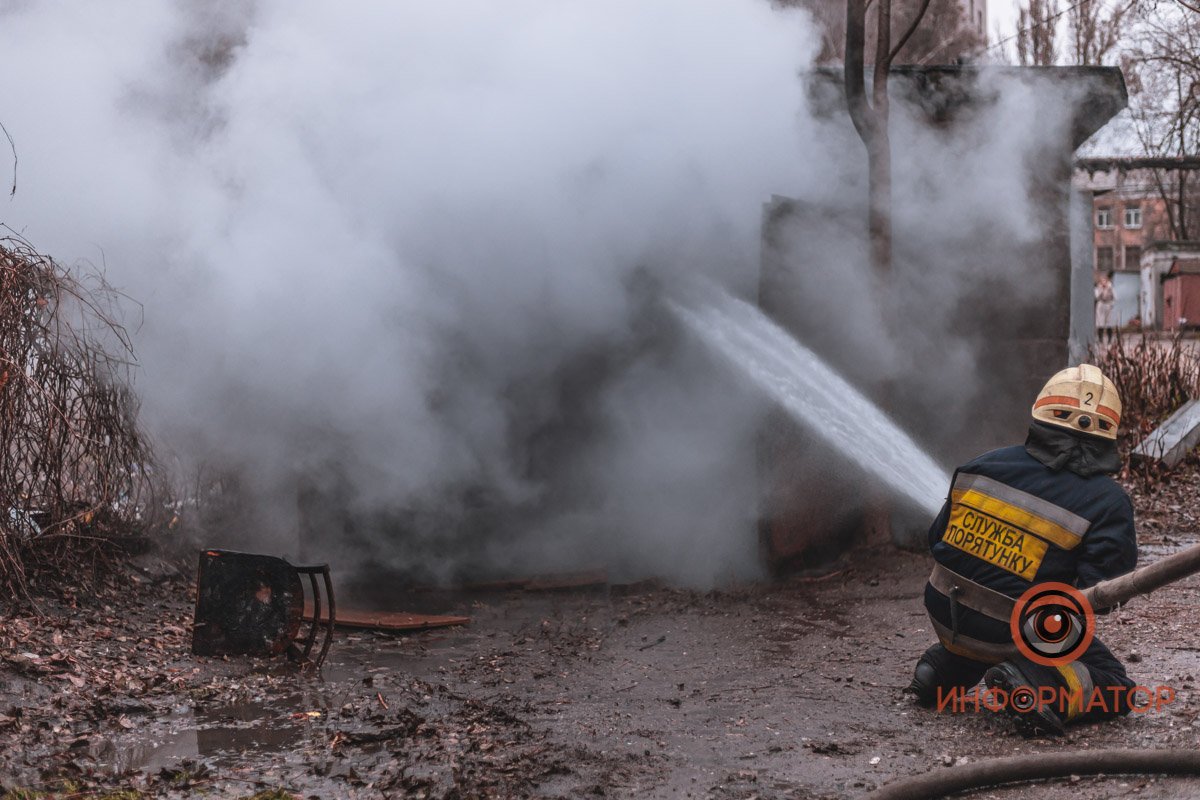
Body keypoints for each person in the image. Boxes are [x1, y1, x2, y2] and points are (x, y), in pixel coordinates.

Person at [907, 364, 1138, 736]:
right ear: (1109, 435)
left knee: (992, 621)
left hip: (944, 611)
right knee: (1114, 684)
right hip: (1014, 634)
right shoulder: (1109, 502)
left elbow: (937, 539)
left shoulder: (982, 465)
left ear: (1041, 414)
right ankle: (1037, 686)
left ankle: (941, 670)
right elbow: (1103, 593)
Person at [1095, 273, 1116, 342]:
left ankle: (1110, 339)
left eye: (1104, 280)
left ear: (1107, 281)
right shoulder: (1098, 288)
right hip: (1101, 305)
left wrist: (1112, 304)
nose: (1103, 282)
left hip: (1108, 305)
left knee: (1109, 323)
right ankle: (1100, 339)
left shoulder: (1110, 287)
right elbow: (1097, 296)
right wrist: (1102, 290)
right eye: (1102, 280)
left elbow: (1115, 297)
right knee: (1100, 323)